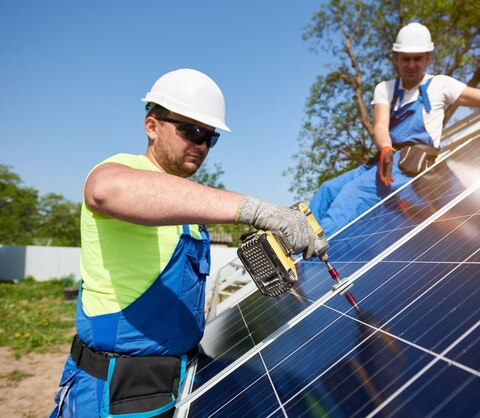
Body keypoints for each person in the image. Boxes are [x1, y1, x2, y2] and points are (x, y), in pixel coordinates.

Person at [50, 68, 317, 418]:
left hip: (178, 381)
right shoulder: (123, 169)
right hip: (116, 393)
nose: (202, 145)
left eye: (210, 137)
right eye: (191, 131)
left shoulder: (186, 206)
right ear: (152, 126)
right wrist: (253, 209)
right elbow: (105, 190)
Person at [309, 22, 480, 237]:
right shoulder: (386, 88)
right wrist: (385, 149)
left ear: (427, 58)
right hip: (385, 156)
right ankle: (296, 241)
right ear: (395, 59)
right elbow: (380, 125)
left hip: (411, 164)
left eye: (418, 59)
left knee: (352, 197)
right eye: (405, 59)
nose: (411, 65)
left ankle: (307, 253)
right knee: (327, 190)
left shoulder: (441, 86)